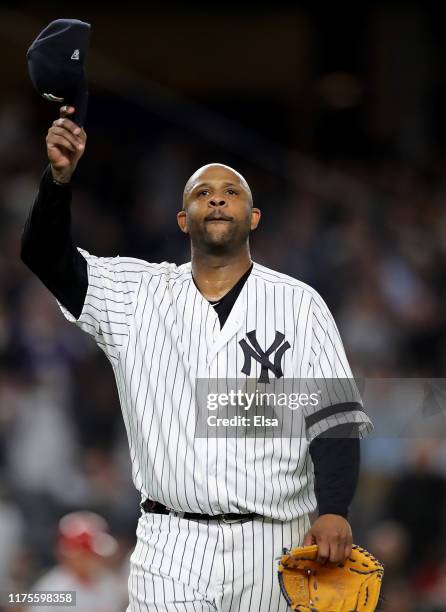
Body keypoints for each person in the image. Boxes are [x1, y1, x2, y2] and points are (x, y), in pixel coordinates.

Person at [21, 106, 373, 611]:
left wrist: (336, 509)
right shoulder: (136, 292)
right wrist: (58, 179)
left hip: (275, 541)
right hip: (171, 543)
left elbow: (333, 418)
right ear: (184, 219)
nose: (217, 199)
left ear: (253, 217)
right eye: (202, 193)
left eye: (231, 193)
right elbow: (45, 255)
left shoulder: (299, 304)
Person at [25, 511, 127, 612]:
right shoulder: (53, 588)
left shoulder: (109, 583)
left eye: (94, 555)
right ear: (69, 554)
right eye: (87, 555)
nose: (93, 560)